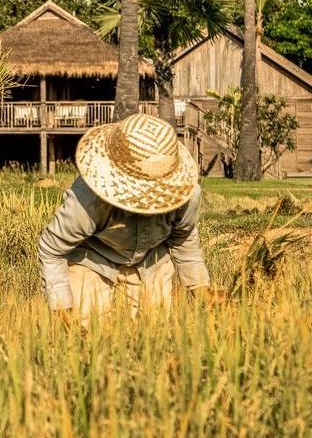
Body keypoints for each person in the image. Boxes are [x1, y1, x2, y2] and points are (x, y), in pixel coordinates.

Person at [37, 112, 224, 325]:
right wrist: (63, 308)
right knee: (86, 329)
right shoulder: (89, 199)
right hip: (93, 259)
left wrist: (200, 290)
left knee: (155, 334)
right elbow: (51, 249)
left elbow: (184, 238)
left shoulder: (187, 197)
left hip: (151, 259)